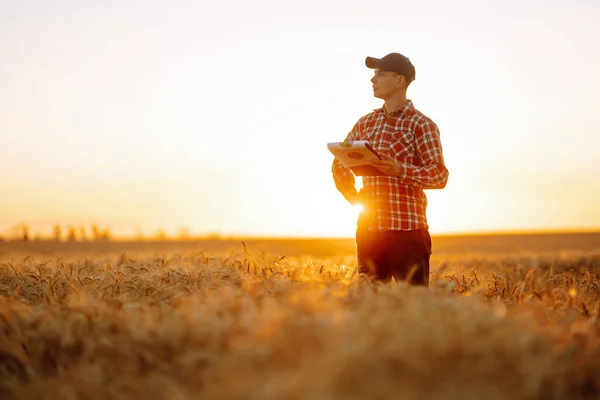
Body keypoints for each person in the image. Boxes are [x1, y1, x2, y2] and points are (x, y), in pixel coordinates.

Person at [331, 52, 449, 288]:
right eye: (374, 75)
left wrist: (399, 170)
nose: (373, 80)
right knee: (369, 307)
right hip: (369, 232)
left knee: (413, 309)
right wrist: (353, 197)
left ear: (400, 80)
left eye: (380, 74)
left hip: (408, 233)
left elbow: (439, 175)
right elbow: (339, 161)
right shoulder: (365, 122)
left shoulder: (421, 124)